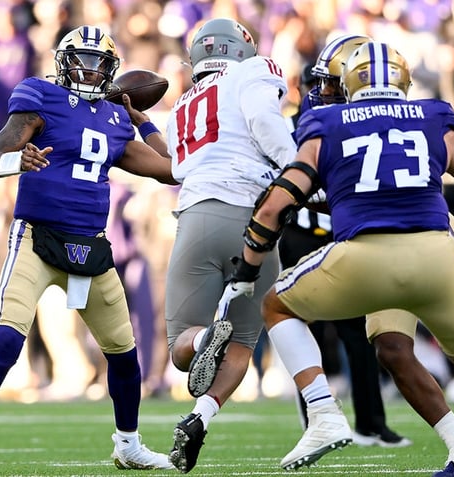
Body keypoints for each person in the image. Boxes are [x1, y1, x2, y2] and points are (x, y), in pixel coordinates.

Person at [220, 41, 454, 476]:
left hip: (368, 258)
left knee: (276, 305)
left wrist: (247, 268)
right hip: (436, 258)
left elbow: (275, 207)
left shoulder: (327, 123)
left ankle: (323, 414)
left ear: (351, 81)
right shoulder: (431, 115)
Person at [0, 25, 176, 474]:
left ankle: (128, 444)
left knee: (123, 353)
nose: (89, 71)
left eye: (98, 63)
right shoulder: (39, 95)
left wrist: (144, 121)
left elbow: (171, 170)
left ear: (111, 72)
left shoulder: (115, 117)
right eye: (82, 60)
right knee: (5, 338)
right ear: (63, 61)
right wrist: (17, 160)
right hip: (37, 238)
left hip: (90, 246)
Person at [162, 18, 296, 474]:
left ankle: (203, 339)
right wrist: (297, 171)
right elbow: (265, 121)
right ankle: (204, 414)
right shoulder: (254, 70)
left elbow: (177, 167)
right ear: (243, 49)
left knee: (180, 347)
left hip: (197, 215)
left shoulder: (181, 104)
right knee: (242, 339)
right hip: (256, 221)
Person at [281, 36, 409, 448]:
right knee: (307, 334)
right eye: (322, 85)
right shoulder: (303, 123)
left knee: (358, 332)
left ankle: (372, 422)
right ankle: (315, 424)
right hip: (302, 233)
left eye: (332, 86)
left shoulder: (368, 125)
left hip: (344, 234)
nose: (323, 94)